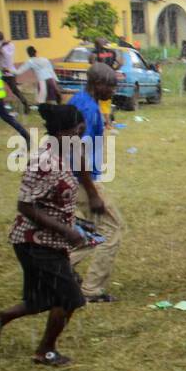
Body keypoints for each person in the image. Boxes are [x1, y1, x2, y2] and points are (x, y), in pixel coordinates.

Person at [0, 103, 89, 367]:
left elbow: (53, 201)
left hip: (47, 241)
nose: (81, 135)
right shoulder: (44, 161)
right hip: (34, 242)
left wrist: (75, 227)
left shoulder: (60, 154)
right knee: (69, 296)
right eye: (78, 130)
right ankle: (46, 351)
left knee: (41, 298)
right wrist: (67, 231)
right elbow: (25, 206)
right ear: (65, 132)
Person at [67, 62, 125, 302]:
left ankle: (57, 270)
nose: (113, 92)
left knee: (92, 231)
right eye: (111, 87)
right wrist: (92, 192)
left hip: (72, 176)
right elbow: (78, 151)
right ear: (98, 84)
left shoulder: (77, 100)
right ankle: (91, 290)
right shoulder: (89, 110)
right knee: (112, 230)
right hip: (83, 179)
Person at [0, 32, 30, 113]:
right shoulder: (11, 45)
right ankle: (25, 104)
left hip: (3, 71)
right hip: (11, 70)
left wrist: (1, 46)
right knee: (14, 90)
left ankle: (1, 106)